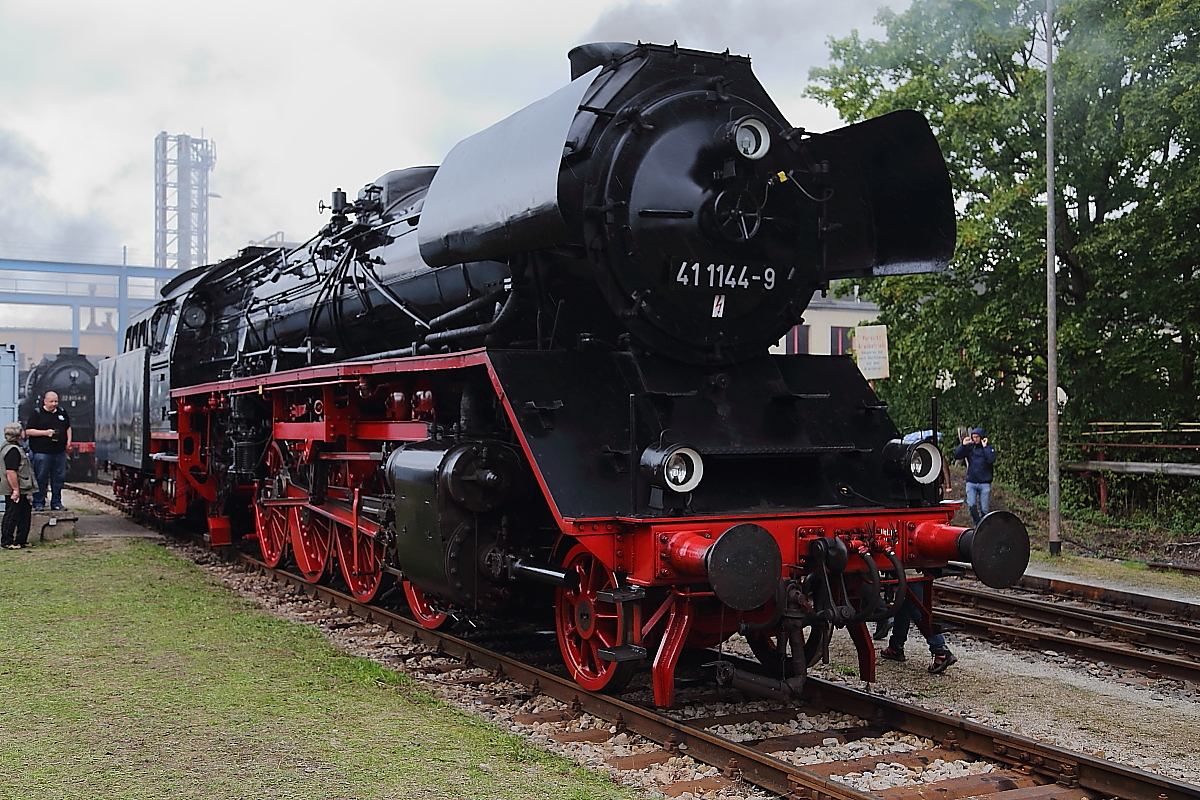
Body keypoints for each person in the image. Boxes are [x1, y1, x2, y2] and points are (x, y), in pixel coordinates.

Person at [879, 580, 957, 673]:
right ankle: (895, 646)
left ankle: (941, 650)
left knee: (914, 603)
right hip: (919, 568)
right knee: (904, 597)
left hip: (911, 569)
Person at [25, 390, 71, 511]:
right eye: (51, 401)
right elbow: (28, 431)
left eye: (56, 401)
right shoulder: (37, 413)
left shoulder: (62, 412)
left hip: (59, 452)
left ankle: (56, 502)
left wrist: (68, 442)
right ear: (45, 401)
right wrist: (45, 433)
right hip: (42, 452)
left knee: (58, 478)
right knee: (41, 477)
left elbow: (68, 427)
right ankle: (38, 502)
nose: (54, 404)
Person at [2, 423, 35, 550]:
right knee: (12, 513)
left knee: (24, 511)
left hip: (20, 487)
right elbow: (10, 471)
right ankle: (7, 541)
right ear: (18, 434)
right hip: (15, 487)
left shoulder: (10, 447)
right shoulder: (13, 450)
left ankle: (21, 540)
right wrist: (15, 490)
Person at [953, 427, 996, 525]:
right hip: (971, 482)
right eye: (973, 437)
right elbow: (956, 455)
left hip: (984, 483)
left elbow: (991, 460)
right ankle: (977, 523)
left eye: (977, 437)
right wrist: (963, 445)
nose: (975, 439)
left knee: (984, 509)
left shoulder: (989, 448)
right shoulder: (970, 448)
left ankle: (985, 527)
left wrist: (985, 447)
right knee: (971, 505)